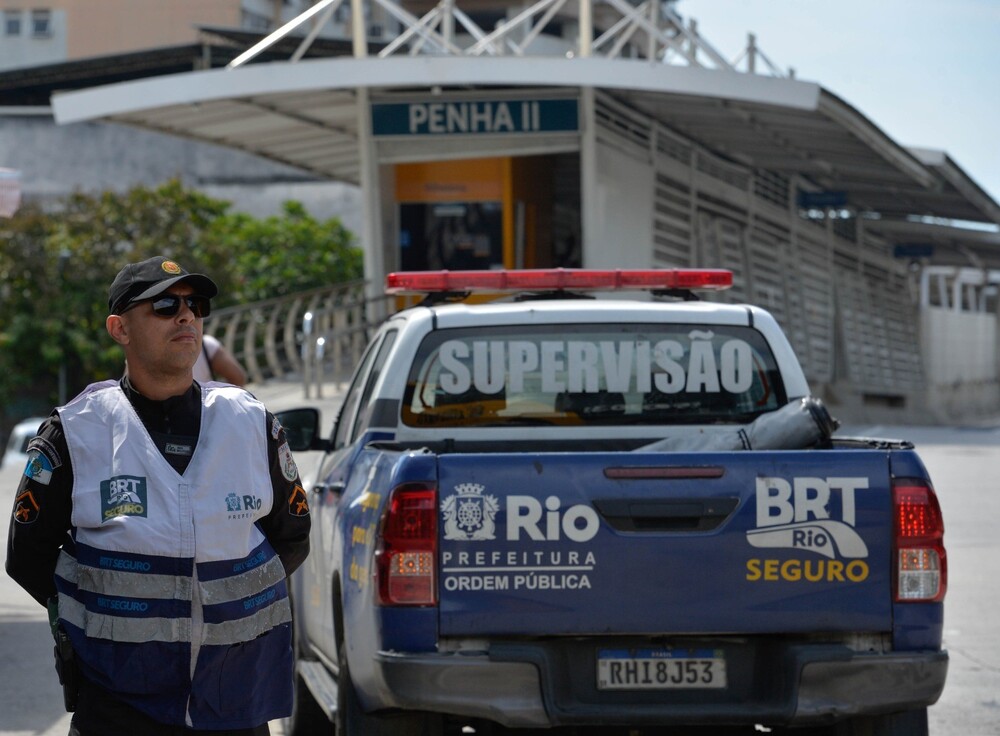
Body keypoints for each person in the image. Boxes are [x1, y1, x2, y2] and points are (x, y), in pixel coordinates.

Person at [5, 255, 311, 736]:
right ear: (120, 329)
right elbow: (29, 557)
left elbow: (292, 537)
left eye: (195, 304)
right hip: (117, 710)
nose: (186, 316)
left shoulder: (251, 422)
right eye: (165, 306)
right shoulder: (77, 431)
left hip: (233, 705)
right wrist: (105, 632)